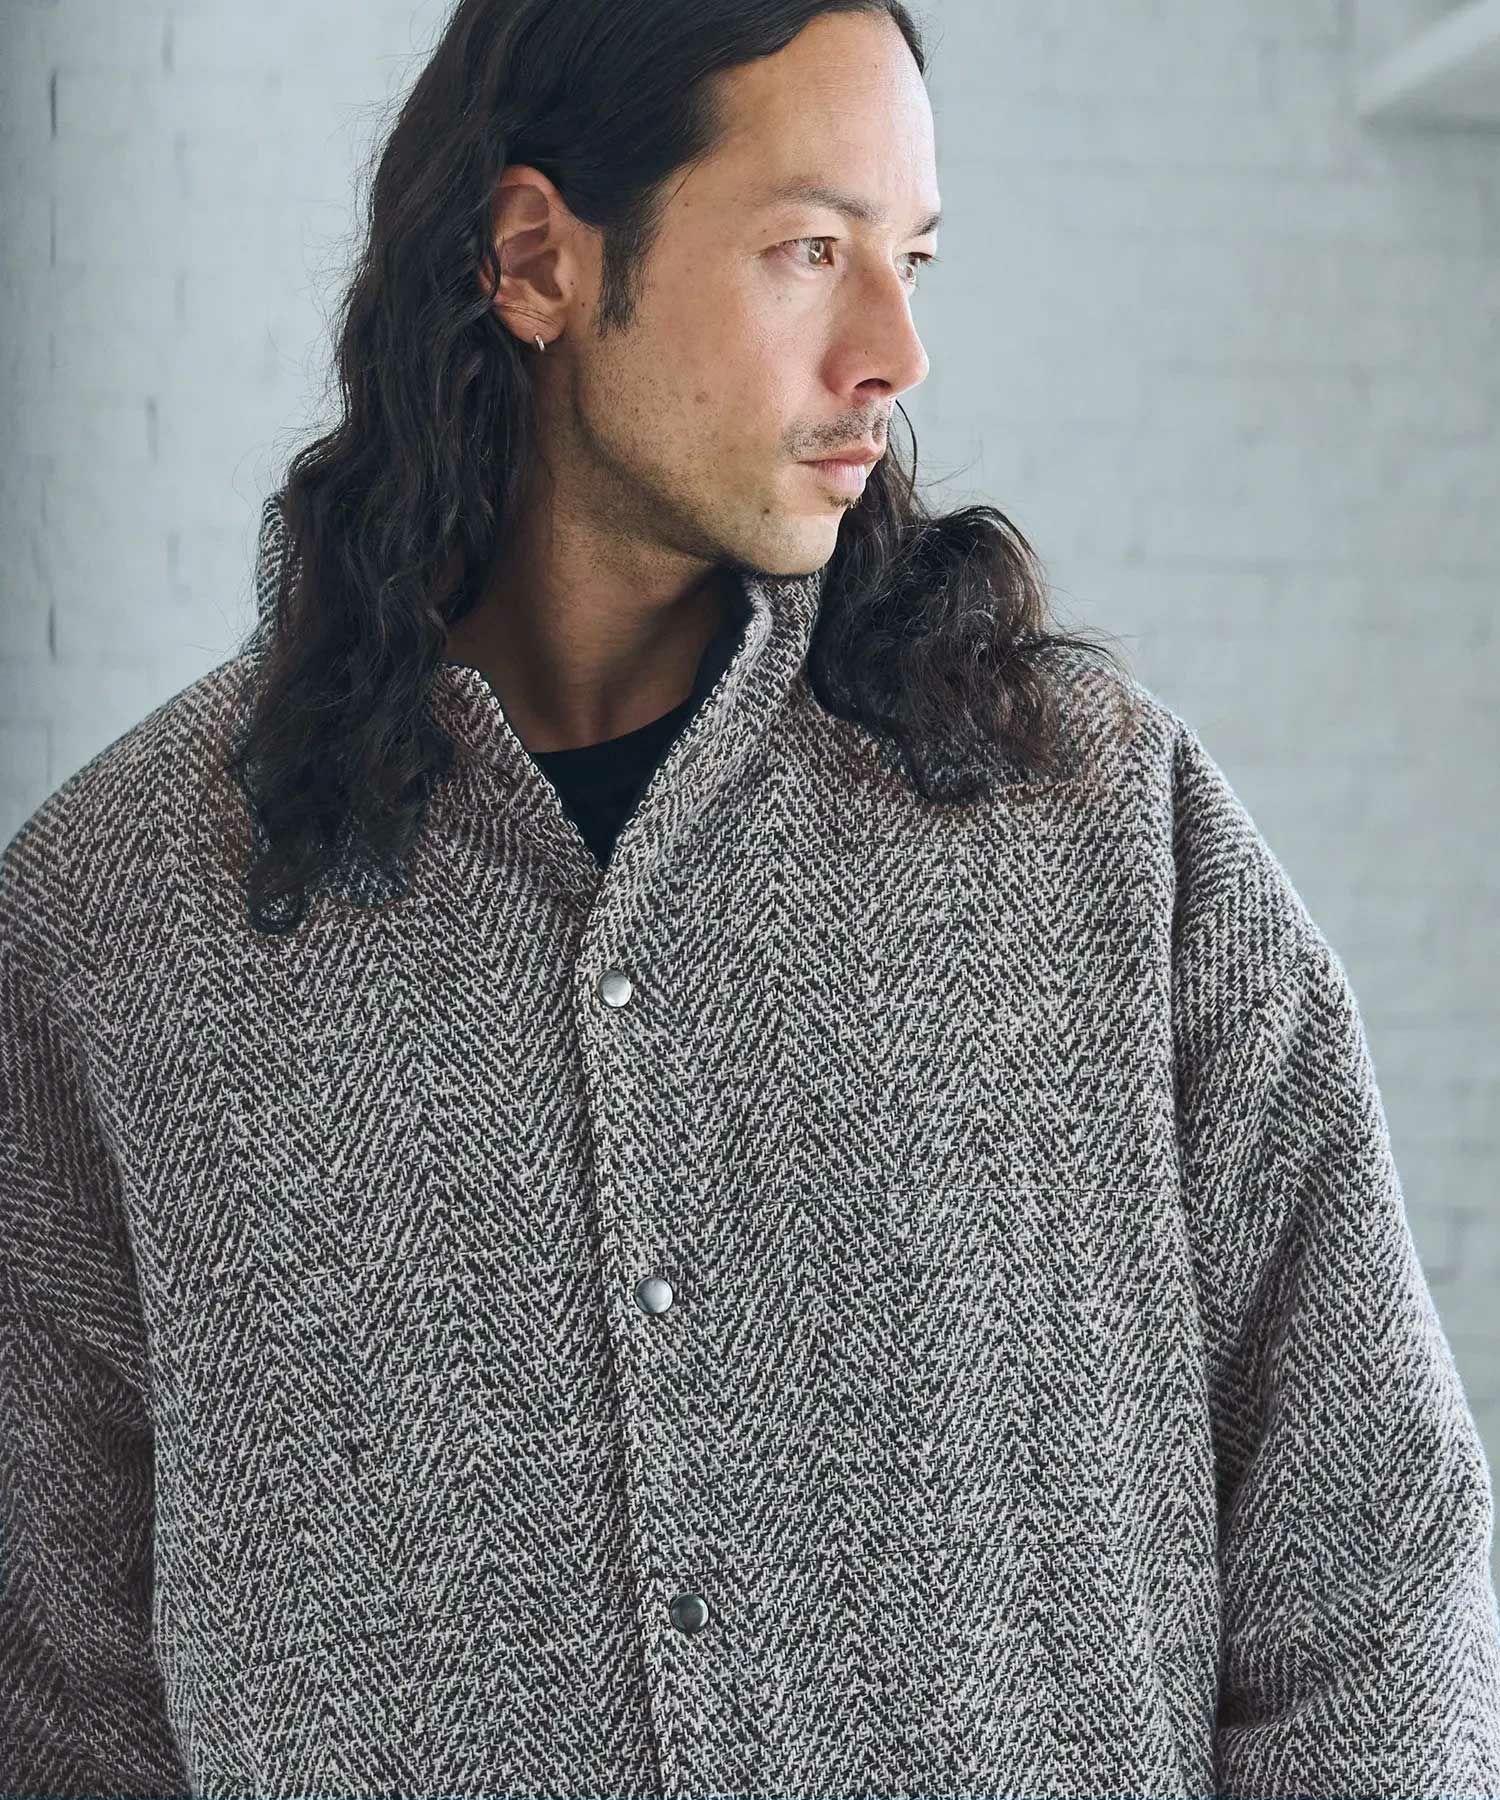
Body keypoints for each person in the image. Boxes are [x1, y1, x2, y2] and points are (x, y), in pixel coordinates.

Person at [4, 0, 1499, 1794]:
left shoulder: (1100, 824)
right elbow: (59, 1691)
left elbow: (1373, 1566)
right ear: (537, 260)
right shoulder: (116, 924)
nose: (895, 352)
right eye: (809, 250)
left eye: (911, 259)